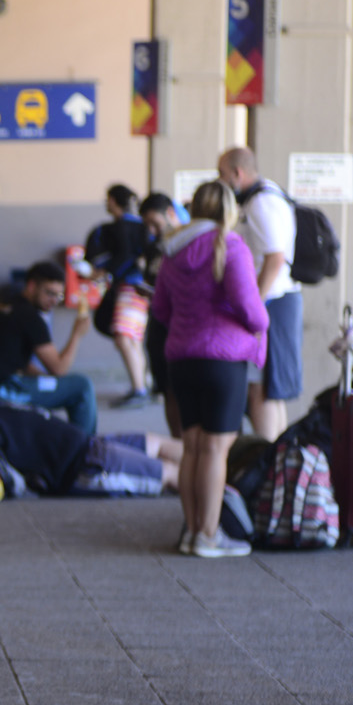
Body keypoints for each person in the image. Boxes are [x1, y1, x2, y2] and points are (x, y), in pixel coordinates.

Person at [149, 181, 271, 558]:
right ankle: (208, 535)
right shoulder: (230, 246)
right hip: (222, 359)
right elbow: (250, 310)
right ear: (229, 212)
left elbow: (160, 311)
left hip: (182, 358)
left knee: (193, 447)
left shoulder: (172, 250)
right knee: (216, 449)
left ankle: (190, 533)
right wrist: (263, 324)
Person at [0, 379, 181, 497]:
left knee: (160, 443)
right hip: (85, 467)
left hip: (92, 444)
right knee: (169, 471)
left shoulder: (0, 406)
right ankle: (216, 497)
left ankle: (217, 464)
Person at [218, 146, 301, 441]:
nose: (221, 181)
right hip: (278, 301)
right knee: (271, 389)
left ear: (238, 174)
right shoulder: (270, 194)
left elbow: (275, 258)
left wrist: (255, 304)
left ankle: (270, 463)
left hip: (273, 303)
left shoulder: (260, 203)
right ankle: (279, 463)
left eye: (223, 175)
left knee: (261, 389)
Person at [0, 261, 99, 436]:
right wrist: (77, 334)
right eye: (49, 293)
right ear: (32, 286)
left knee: (59, 385)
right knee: (81, 386)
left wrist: (50, 384)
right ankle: (87, 450)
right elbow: (59, 368)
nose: (54, 301)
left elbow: (18, 361)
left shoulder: (8, 304)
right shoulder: (31, 318)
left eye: (59, 295)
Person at [86, 184, 153, 409]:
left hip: (130, 287)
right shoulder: (140, 226)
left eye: (108, 199)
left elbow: (125, 256)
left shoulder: (122, 228)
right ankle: (141, 386)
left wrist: (107, 271)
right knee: (132, 338)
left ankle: (139, 389)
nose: (106, 203)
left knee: (124, 336)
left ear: (114, 201)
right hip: (139, 288)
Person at [138, 192, 184, 438]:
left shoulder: (188, 242)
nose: (152, 229)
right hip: (159, 325)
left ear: (170, 213)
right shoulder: (155, 246)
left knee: (182, 390)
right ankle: (178, 443)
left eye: (155, 223)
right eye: (148, 225)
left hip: (181, 326)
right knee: (168, 389)